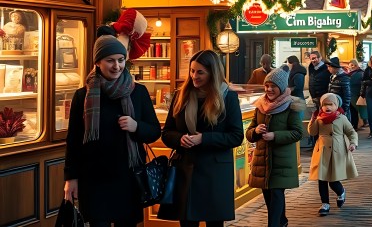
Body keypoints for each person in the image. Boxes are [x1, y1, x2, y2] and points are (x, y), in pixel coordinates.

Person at [64, 27, 161, 227]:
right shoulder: (83, 96)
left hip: (128, 177)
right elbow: (73, 141)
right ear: (98, 62)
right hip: (94, 179)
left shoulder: (138, 92)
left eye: (121, 60)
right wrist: (71, 178)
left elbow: (154, 131)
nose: (116, 66)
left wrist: (136, 126)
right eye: (110, 60)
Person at [159, 50, 244, 227]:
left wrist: (204, 139)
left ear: (213, 73)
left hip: (214, 173)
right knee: (187, 222)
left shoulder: (228, 97)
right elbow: (167, 132)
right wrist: (180, 139)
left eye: (200, 72)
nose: (194, 76)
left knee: (214, 223)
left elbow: (236, 136)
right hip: (186, 170)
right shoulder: (181, 95)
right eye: (192, 71)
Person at [246, 66, 305, 227]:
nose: (269, 89)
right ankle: (282, 221)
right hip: (262, 160)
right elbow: (249, 133)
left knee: (277, 193)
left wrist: (275, 135)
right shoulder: (260, 106)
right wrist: (256, 131)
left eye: (273, 86)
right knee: (268, 195)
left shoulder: (291, 106)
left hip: (281, 161)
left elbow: (298, 133)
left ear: (281, 87)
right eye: (267, 86)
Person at [309, 93, 358, 215]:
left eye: (331, 104)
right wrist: (313, 120)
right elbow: (312, 132)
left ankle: (341, 192)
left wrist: (353, 143)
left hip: (337, 150)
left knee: (333, 179)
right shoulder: (319, 119)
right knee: (322, 178)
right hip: (322, 151)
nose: (327, 107)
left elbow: (351, 132)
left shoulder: (341, 118)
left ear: (336, 105)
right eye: (325, 105)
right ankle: (325, 204)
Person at [347, 60, 367, 129]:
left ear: (356, 65)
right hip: (355, 94)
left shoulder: (356, 74)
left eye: (352, 65)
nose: (351, 67)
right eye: (350, 65)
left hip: (355, 94)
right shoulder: (352, 74)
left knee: (355, 110)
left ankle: (357, 124)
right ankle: (358, 124)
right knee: (355, 111)